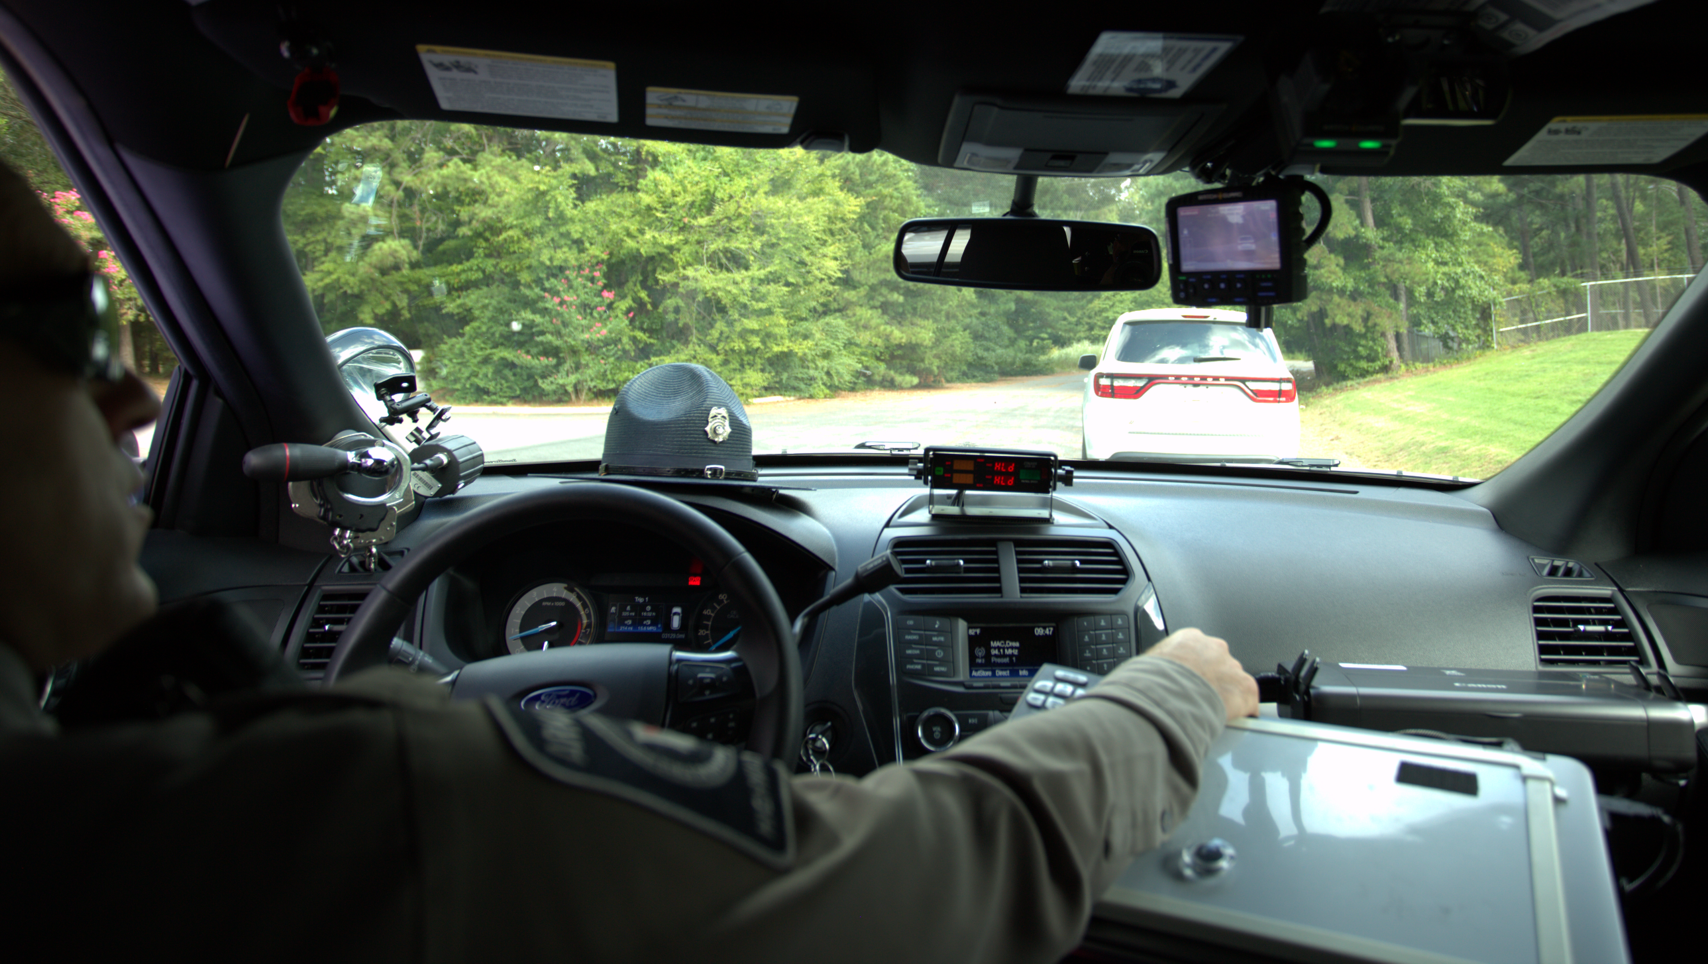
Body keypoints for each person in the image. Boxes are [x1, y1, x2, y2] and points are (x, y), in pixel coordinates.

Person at [0, 159, 1259, 962]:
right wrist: (1174, 693)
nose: (134, 398)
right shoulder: (381, 793)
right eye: (79, 326)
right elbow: (938, 876)